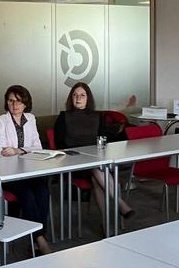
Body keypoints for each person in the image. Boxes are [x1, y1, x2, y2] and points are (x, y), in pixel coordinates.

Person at [53, 82, 133, 221]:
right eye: (75, 95)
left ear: (88, 98)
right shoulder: (63, 117)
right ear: (71, 98)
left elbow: (103, 140)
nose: (78, 98)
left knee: (97, 175)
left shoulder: (98, 116)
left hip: (95, 161)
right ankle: (120, 203)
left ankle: (105, 223)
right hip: (73, 163)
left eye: (82, 95)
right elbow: (59, 145)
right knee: (98, 170)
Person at [0, 84, 52, 255]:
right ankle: (40, 239)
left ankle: (39, 235)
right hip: (6, 172)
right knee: (27, 193)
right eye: (11, 101)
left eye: (18, 101)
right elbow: (2, 152)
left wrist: (18, 150)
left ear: (25, 103)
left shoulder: (30, 118)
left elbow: (38, 147)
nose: (14, 105)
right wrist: (25, 150)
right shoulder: (0, 121)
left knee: (42, 189)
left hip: (28, 169)